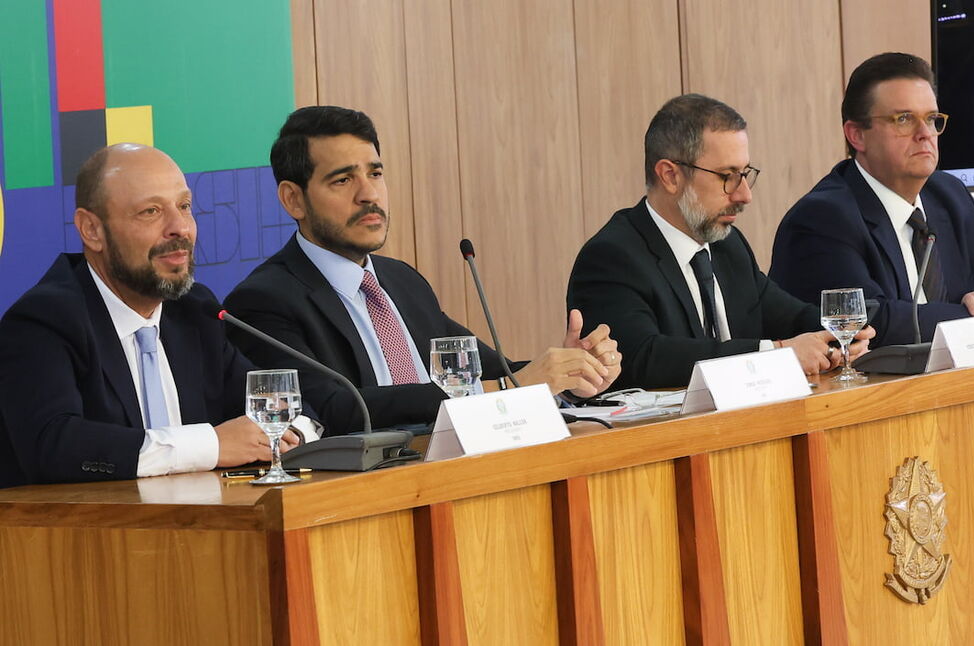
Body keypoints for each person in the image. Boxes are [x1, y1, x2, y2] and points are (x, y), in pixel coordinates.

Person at [224, 106, 621, 435]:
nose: (369, 194)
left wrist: (569, 374)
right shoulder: (264, 301)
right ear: (294, 200)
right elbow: (334, 410)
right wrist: (510, 387)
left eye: (375, 174)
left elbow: (490, 372)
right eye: (343, 180)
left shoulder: (401, 281)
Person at [0, 144, 300, 488]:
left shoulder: (193, 311)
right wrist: (210, 445)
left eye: (185, 207)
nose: (180, 229)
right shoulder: (44, 320)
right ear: (92, 230)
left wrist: (290, 433)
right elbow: (52, 445)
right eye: (151, 211)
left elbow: (284, 412)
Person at [566, 94, 873, 389]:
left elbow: (789, 315)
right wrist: (777, 353)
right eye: (727, 176)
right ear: (670, 176)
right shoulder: (612, 257)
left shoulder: (727, 245)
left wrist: (841, 336)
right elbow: (644, 359)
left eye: (745, 174)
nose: (744, 195)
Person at [770, 52, 974, 347]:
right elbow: (871, 323)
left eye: (932, 119)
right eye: (904, 119)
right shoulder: (823, 218)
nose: (925, 134)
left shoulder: (948, 195)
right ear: (857, 135)